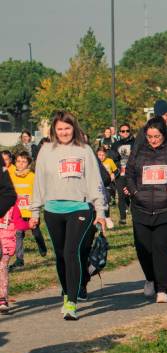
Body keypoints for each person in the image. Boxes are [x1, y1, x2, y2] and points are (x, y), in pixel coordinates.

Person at [29, 111, 106, 320]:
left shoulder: (84, 150)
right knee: (61, 254)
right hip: (53, 210)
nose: (64, 132)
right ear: (54, 130)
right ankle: (66, 292)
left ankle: (72, 301)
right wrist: (34, 211)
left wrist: (100, 211)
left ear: (74, 128)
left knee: (72, 252)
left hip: (79, 208)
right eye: (60, 129)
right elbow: (39, 183)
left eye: (67, 128)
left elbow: (95, 181)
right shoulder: (46, 151)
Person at [125, 116, 167, 303]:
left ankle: (162, 288)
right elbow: (129, 174)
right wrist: (134, 192)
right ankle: (150, 279)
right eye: (149, 136)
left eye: (156, 136)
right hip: (141, 207)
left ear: (164, 134)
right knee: (143, 249)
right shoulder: (138, 150)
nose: (153, 140)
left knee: (161, 248)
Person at [7, 152, 47, 272]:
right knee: (18, 234)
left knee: (36, 232)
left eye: (24, 162)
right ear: (15, 162)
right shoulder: (11, 176)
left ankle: (42, 246)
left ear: (29, 164)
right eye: (18, 161)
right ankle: (19, 260)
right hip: (18, 213)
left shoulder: (33, 176)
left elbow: (39, 192)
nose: (20, 164)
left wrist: (34, 202)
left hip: (31, 212)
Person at [0, 202, 28, 314]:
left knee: (2, 268)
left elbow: (19, 224)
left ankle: (2, 299)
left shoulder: (12, 206)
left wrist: (30, 224)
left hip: (6, 242)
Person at [115, 123, 134, 225]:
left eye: (127, 131)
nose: (125, 133)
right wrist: (118, 168)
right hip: (120, 174)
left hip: (132, 174)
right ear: (119, 133)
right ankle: (122, 218)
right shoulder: (116, 145)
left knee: (133, 194)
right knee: (121, 195)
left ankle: (135, 216)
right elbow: (112, 159)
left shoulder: (135, 143)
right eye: (123, 131)